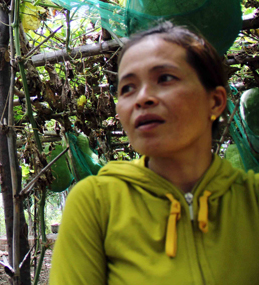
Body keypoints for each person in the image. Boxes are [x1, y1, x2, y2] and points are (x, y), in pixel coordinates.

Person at [49, 22, 259, 284]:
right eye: (127, 88)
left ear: (215, 101)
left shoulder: (252, 200)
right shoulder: (96, 203)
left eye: (165, 78)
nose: (142, 98)